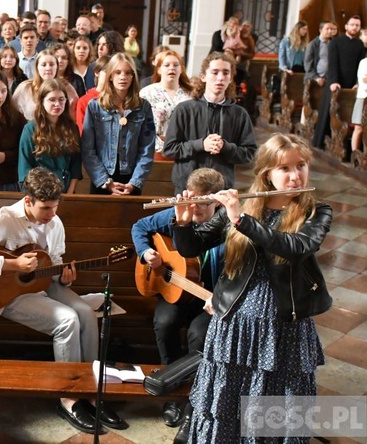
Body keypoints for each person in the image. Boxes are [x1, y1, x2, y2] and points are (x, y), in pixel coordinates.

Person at [172, 133, 332, 443]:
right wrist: (183, 223)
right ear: (267, 174)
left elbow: (296, 247)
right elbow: (193, 246)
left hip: (282, 325)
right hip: (235, 324)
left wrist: (241, 221)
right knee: (227, 405)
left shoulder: (316, 212)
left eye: (301, 166)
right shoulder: (244, 205)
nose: (296, 175)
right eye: (285, 168)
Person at [0, 167, 127, 434]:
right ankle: (68, 398)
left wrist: (65, 278)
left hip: (45, 284)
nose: (52, 215)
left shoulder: (55, 223)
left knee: (85, 312)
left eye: (55, 207)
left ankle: (91, 391)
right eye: (46, 208)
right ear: (28, 201)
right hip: (7, 293)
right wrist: (13, 264)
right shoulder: (6, 218)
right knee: (67, 320)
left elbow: (56, 264)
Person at [130, 168, 225, 431]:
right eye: (190, 200)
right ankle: (169, 390)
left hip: (211, 300)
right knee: (165, 321)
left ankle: (193, 401)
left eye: (202, 204)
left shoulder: (227, 226)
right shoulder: (177, 213)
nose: (193, 208)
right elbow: (139, 227)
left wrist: (223, 296)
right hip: (178, 292)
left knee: (199, 335)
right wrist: (147, 252)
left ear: (217, 201)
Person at [164, 51, 257, 193]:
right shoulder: (184, 109)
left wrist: (225, 147)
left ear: (231, 78)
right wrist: (200, 145)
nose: (220, 78)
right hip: (187, 187)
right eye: (214, 72)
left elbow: (249, 153)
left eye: (225, 73)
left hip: (221, 188)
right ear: (203, 76)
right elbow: (170, 148)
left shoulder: (239, 114)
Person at [81, 53, 156, 195]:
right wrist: (105, 181)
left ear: (133, 77)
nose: (123, 77)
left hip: (131, 179)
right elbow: (88, 149)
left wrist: (135, 182)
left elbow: (147, 148)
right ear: (110, 75)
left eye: (128, 73)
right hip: (102, 180)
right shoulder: (95, 106)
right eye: (118, 72)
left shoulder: (143, 107)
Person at [18, 79, 82, 193]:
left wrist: (70, 192)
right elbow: (25, 168)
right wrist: (39, 195)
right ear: (42, 101)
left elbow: (75, 165)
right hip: (38, 192)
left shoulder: (72, 128)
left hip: (66, 190)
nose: (57, 104)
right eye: (52, 100)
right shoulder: (30, 129)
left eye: (61, 99)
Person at [314, 15, 367, 148]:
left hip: (351, 85)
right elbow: (332, 63)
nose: (355, 27)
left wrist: (357, 82)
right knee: (328, 111)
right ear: (346, 26)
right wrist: (333, 81)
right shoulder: (336, 41)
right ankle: (320, 142)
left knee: (347, 112)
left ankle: (343, 143)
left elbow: (361, 66)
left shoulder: (360, 44)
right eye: (352, 24)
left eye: (357, 25)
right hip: (335, 82)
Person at [139, 50, 193, 158]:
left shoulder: (191, 95)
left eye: (176, 65)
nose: (171, 68)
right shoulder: (147, 93)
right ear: (159, 69)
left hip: (184, 150)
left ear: (181, 69)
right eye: (166, 65)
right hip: (154, 150)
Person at [12, 49, 79, 122]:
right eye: (43, 65)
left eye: (52, 64)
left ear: (57, 67)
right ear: (37, 67)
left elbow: (74, 116)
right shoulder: (25, 88)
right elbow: (13, 114)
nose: (48, 68)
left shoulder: (66, 87)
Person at [352, 42, 367, 152]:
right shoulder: (364, 63)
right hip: (364, 99)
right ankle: (354, 153)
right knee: (359, 127)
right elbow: (365, 86)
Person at [304, 20, 336, 87]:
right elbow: (308, 64)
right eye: (327, 29)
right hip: (314, 78)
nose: (330, 31)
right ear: (321, 30)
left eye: (331, 29)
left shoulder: (334, 43)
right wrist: (316, 78)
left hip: (329, 78)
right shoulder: (313, 44)